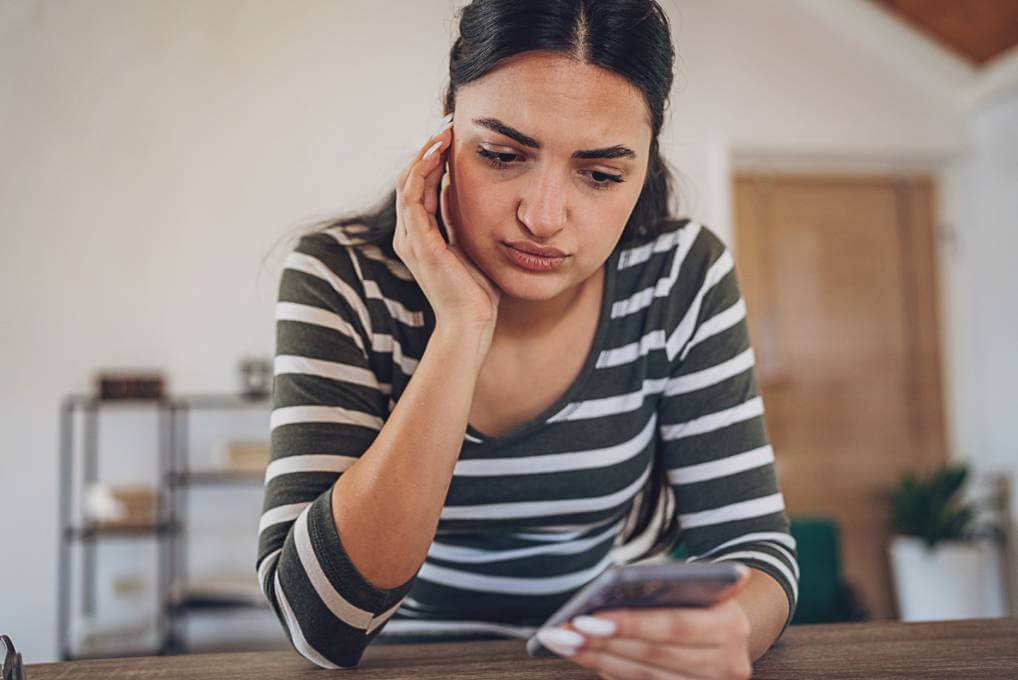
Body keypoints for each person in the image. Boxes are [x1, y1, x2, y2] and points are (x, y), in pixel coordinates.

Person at [257, 1, 799, 677]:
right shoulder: (342, 277)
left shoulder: (679, 275)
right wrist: (461, 328)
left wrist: (731, 630)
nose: (542, 218)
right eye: (501, 155)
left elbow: (755, 550)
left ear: (645, 164)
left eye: (601, 175)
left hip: (599, 665)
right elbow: (318, 625)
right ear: (445, 132)